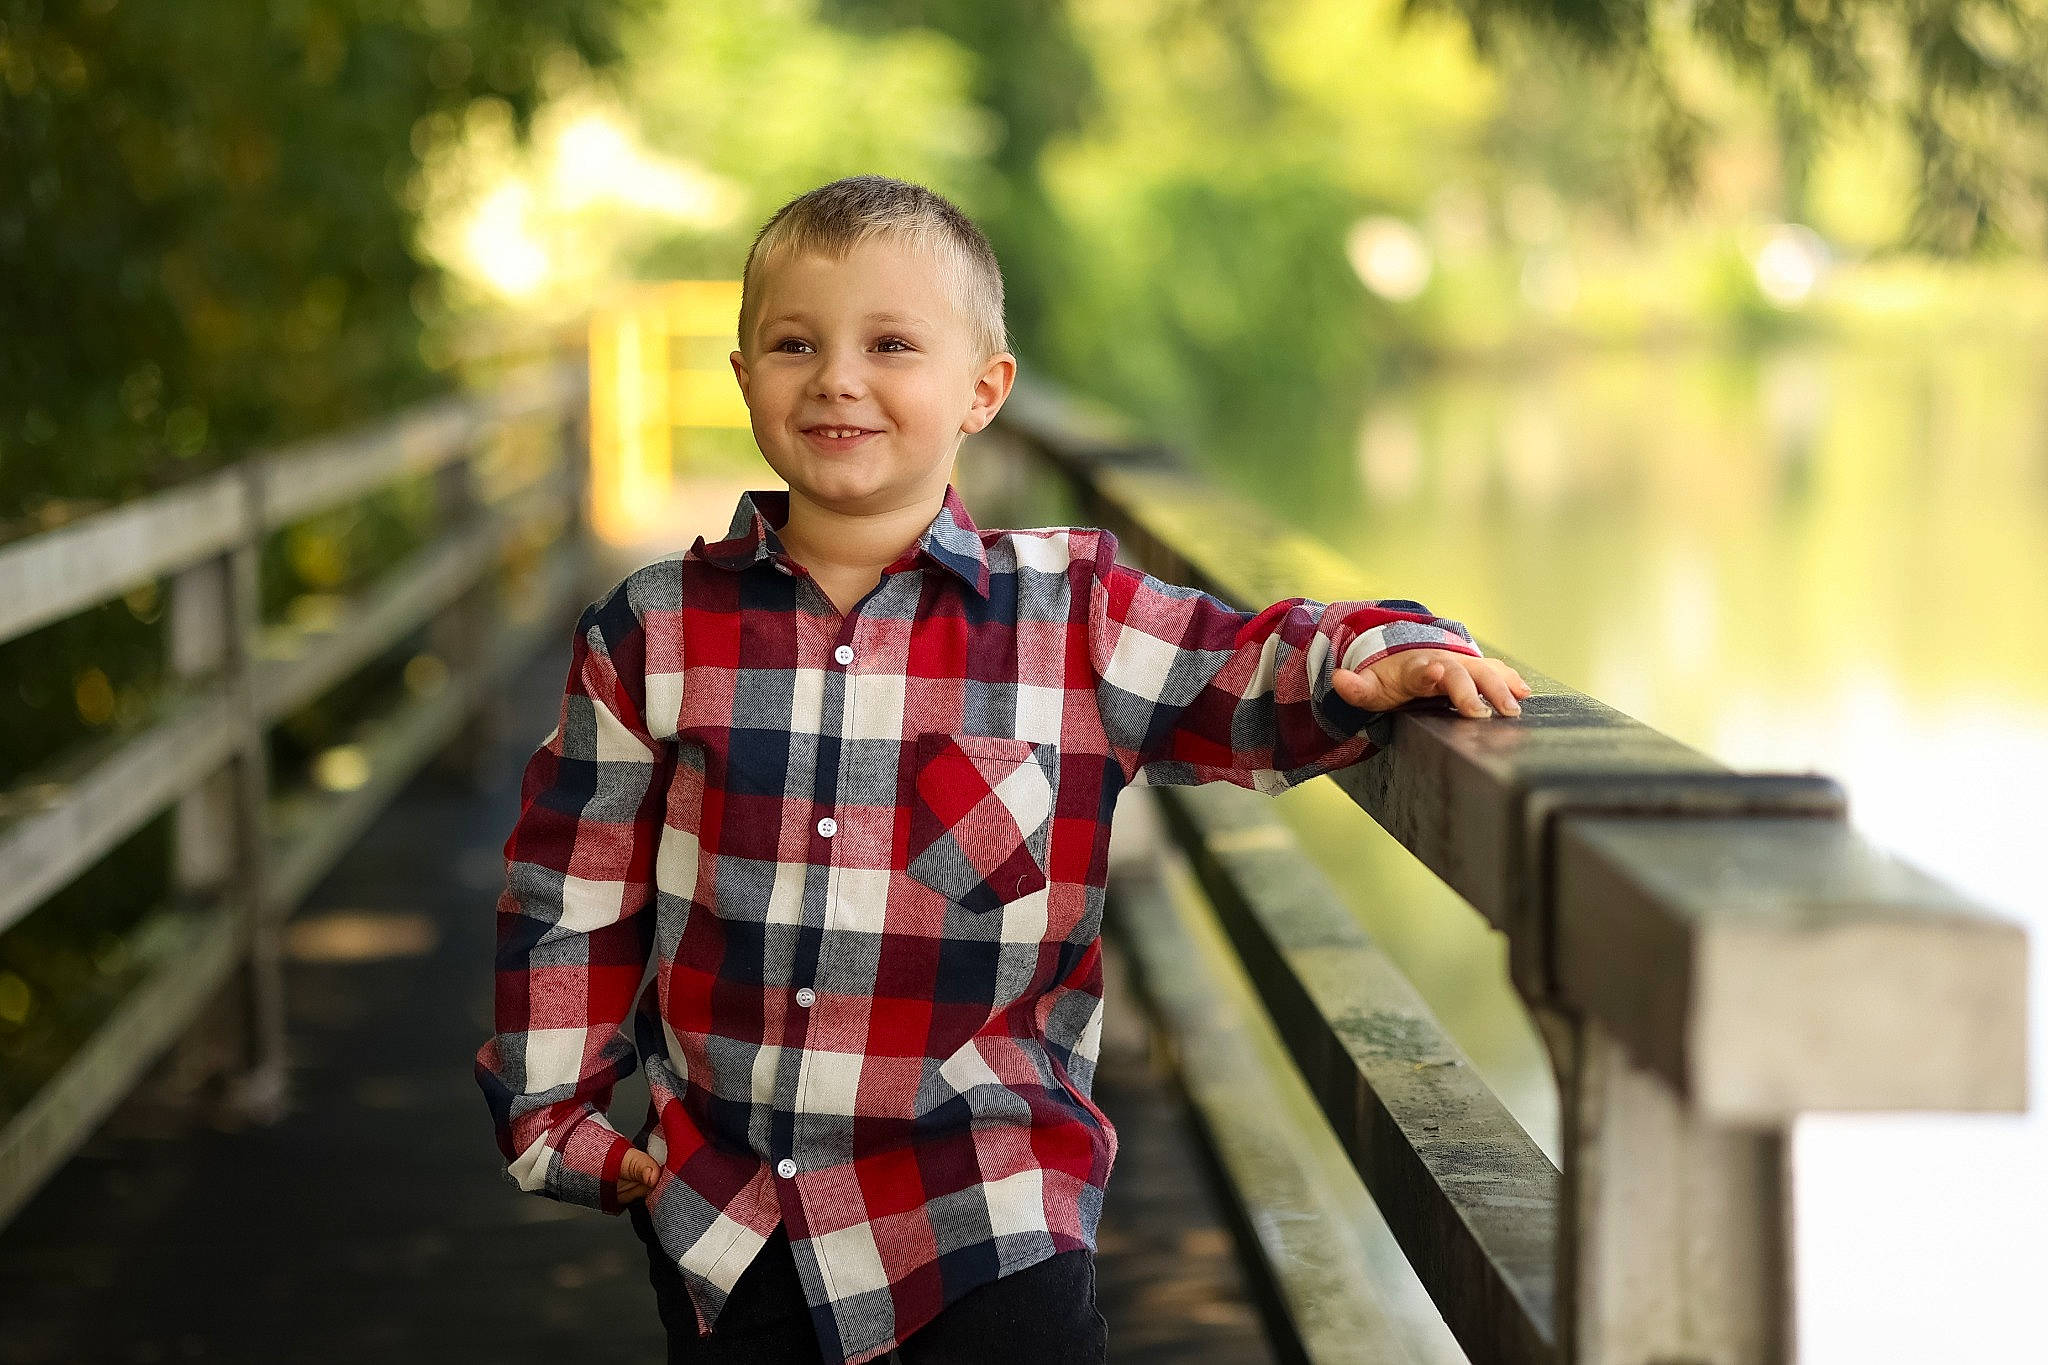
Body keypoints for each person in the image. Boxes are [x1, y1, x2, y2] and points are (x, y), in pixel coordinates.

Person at [474, 174, 1529, 1365]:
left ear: (983, 391)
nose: (836, 376)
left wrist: (1375, 649)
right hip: (731, 1217)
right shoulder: (651, 629)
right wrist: (554, 1112)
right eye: (792, 343)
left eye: (890, 344)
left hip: (986, 1210)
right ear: (742, 378)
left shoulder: (1071, 618)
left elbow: (1235, 669)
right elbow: (575, 878)